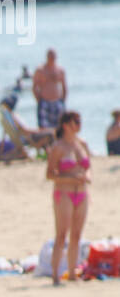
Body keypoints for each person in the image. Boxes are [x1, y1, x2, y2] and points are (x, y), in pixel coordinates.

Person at [46, 111, 91, 285]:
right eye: (76, 122)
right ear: (66, 125)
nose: (79, 125)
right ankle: (56, 275)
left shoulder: (82, 145)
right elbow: (50, 174)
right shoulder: (59, 147)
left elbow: (88, 166)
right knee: (61, 235)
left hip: (82, 192)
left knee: (77, 235)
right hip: (63, 192)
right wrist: (70, 178)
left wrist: (87, 176)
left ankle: (72, 272)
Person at [32, 49, 67, 133]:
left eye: (54, 56)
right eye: (50, 56)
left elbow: (64, 86)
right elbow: (34, 87)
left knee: (60, 127)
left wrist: (62, 101)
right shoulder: (40, 70)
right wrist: (39, 100)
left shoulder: (60, 70)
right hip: (44, 102)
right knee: (44, 128)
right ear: (47, 57)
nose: (52, 58)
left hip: (57, 102)